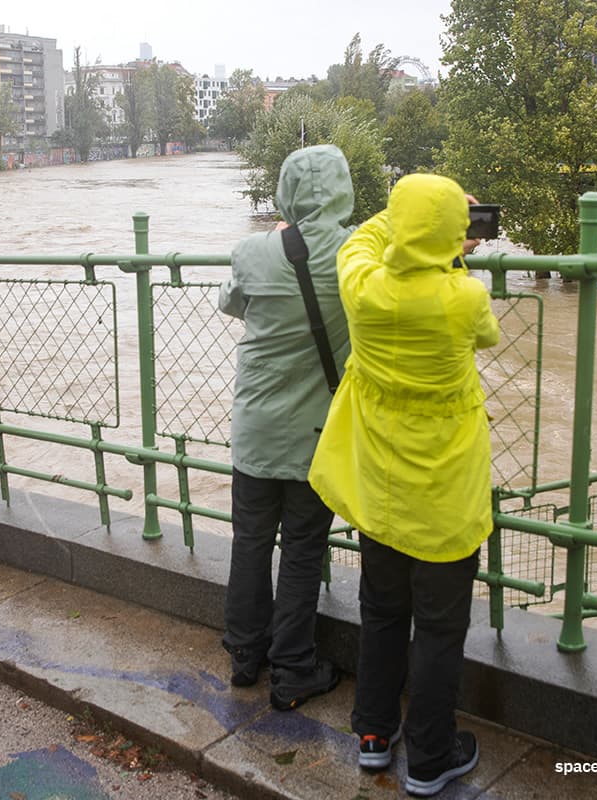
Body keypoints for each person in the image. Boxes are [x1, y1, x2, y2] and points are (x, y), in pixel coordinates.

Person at [308, 174, 500, 797]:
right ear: (456, 234)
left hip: (381, 486)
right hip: (443, 492)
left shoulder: (364, 288)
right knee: (441, 629)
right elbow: (485, 335)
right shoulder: (464, 296)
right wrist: (449, 248)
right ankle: (430, 758)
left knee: (382, 610)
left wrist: (413, 227)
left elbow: (359, 242)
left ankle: (371, 733)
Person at [217, 144, 353, 709]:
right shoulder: (357, 254)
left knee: (249, 541)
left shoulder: (252, 250)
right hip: (316, 435)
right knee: (301, 548)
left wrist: (281, 238)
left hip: (255, 427)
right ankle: (294, 668)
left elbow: (233, 303)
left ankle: (246, 654)